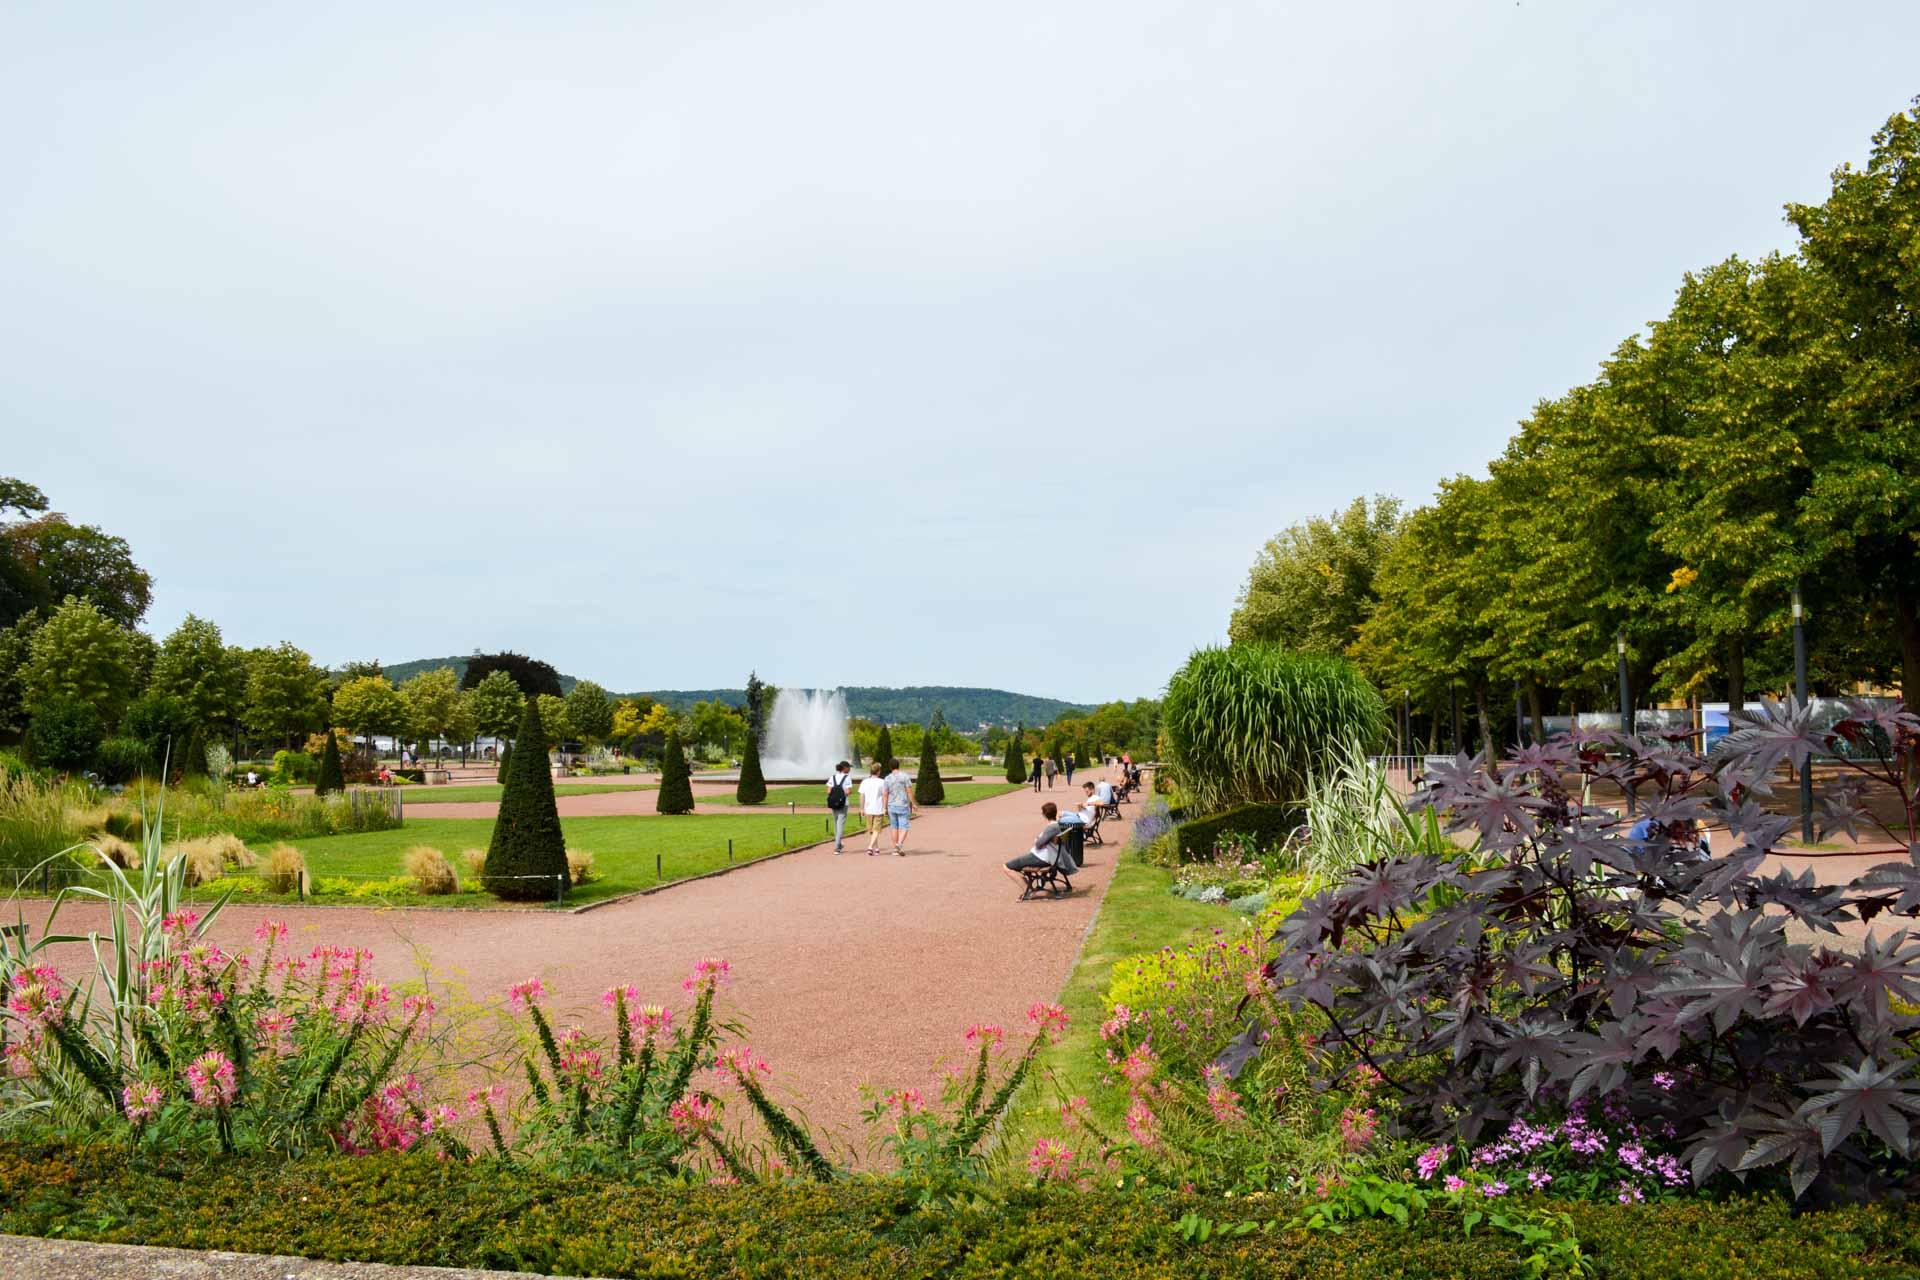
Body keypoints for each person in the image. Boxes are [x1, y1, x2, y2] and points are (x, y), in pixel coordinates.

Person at [1003, 802, 1072, 885]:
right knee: (1018, 863)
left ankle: (1027, 890)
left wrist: (1037, 839)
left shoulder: (1051, 828)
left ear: (1044, 815)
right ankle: (1031, 886)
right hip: (1048, 856)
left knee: (1007, 866)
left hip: (1041, 858)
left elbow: (1038, 845)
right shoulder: (1057, 825)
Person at [883, 757, 916, 856]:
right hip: (902, 804)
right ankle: (899, 844)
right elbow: (909, 791)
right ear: (898, 765)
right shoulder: (904, 776)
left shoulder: (887, 778)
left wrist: (884, 807)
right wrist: (913, 803)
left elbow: (885, 794)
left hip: (891, 805)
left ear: (890, 767)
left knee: (894, 827)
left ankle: (895, 849)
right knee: (904, 826)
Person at [825, 759, 855, 854]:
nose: (850, 769)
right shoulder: (847, 777)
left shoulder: (832, 777)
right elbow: (848, 791)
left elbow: (828, 791)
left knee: (835, 823)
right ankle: (837, 847)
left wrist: (835, 794)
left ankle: (838, 844)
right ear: (845, 768)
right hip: (843, 803)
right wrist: (843, 793)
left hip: (833, 803)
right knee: (840, 824)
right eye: (849, 767)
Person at [859, 762, 888, 854]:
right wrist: (885, 808)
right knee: (875, 830)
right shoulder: (882, 782)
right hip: (878, 808)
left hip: (868, 808)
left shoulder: (865, 782)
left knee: (873, 830)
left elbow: (862, 796)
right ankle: (871, 847)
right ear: (878, 772)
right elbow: (884, 796)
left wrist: (862, 808)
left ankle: (875, 848)